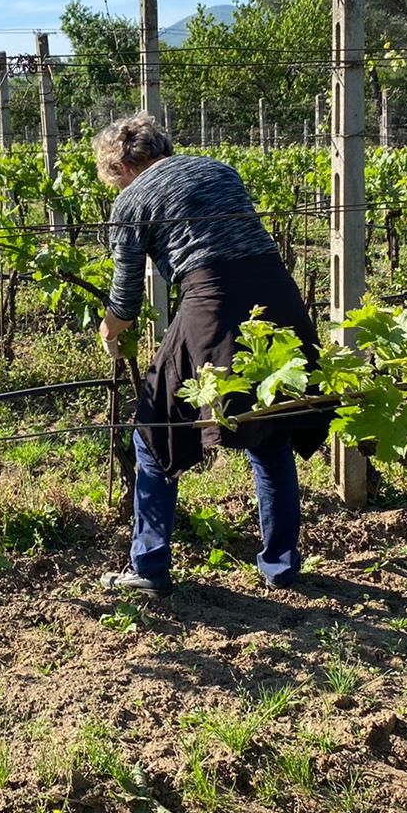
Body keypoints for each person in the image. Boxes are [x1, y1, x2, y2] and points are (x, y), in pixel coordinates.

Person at [94, 113, 331, 597]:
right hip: (277, 294)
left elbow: (126, 299)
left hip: (213, 299)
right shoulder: (218, 169)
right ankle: (281, 567)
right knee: (269, 427)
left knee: (155, 428)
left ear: (120, 164)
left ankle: (149, 564)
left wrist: (109, 330)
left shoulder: (131, 199)